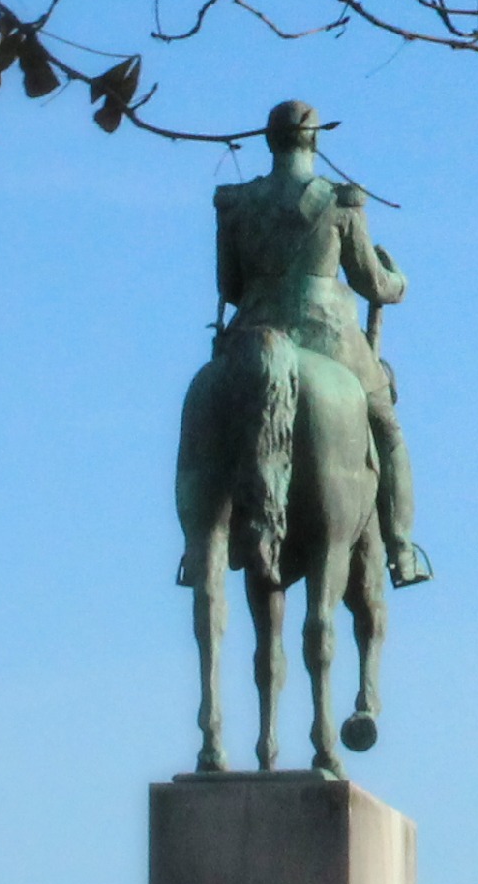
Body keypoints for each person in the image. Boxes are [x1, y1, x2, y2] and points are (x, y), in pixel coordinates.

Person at [177, 98, 432, 587]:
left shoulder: (236, 203)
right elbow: (371, 283)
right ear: (314, 140)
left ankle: (200, 545)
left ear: (270, 142)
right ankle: (401, 549)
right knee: (386, 428)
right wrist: (398, 282)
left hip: (253, 332)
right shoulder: (341, 201)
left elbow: (228, 287)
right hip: (331, 338)